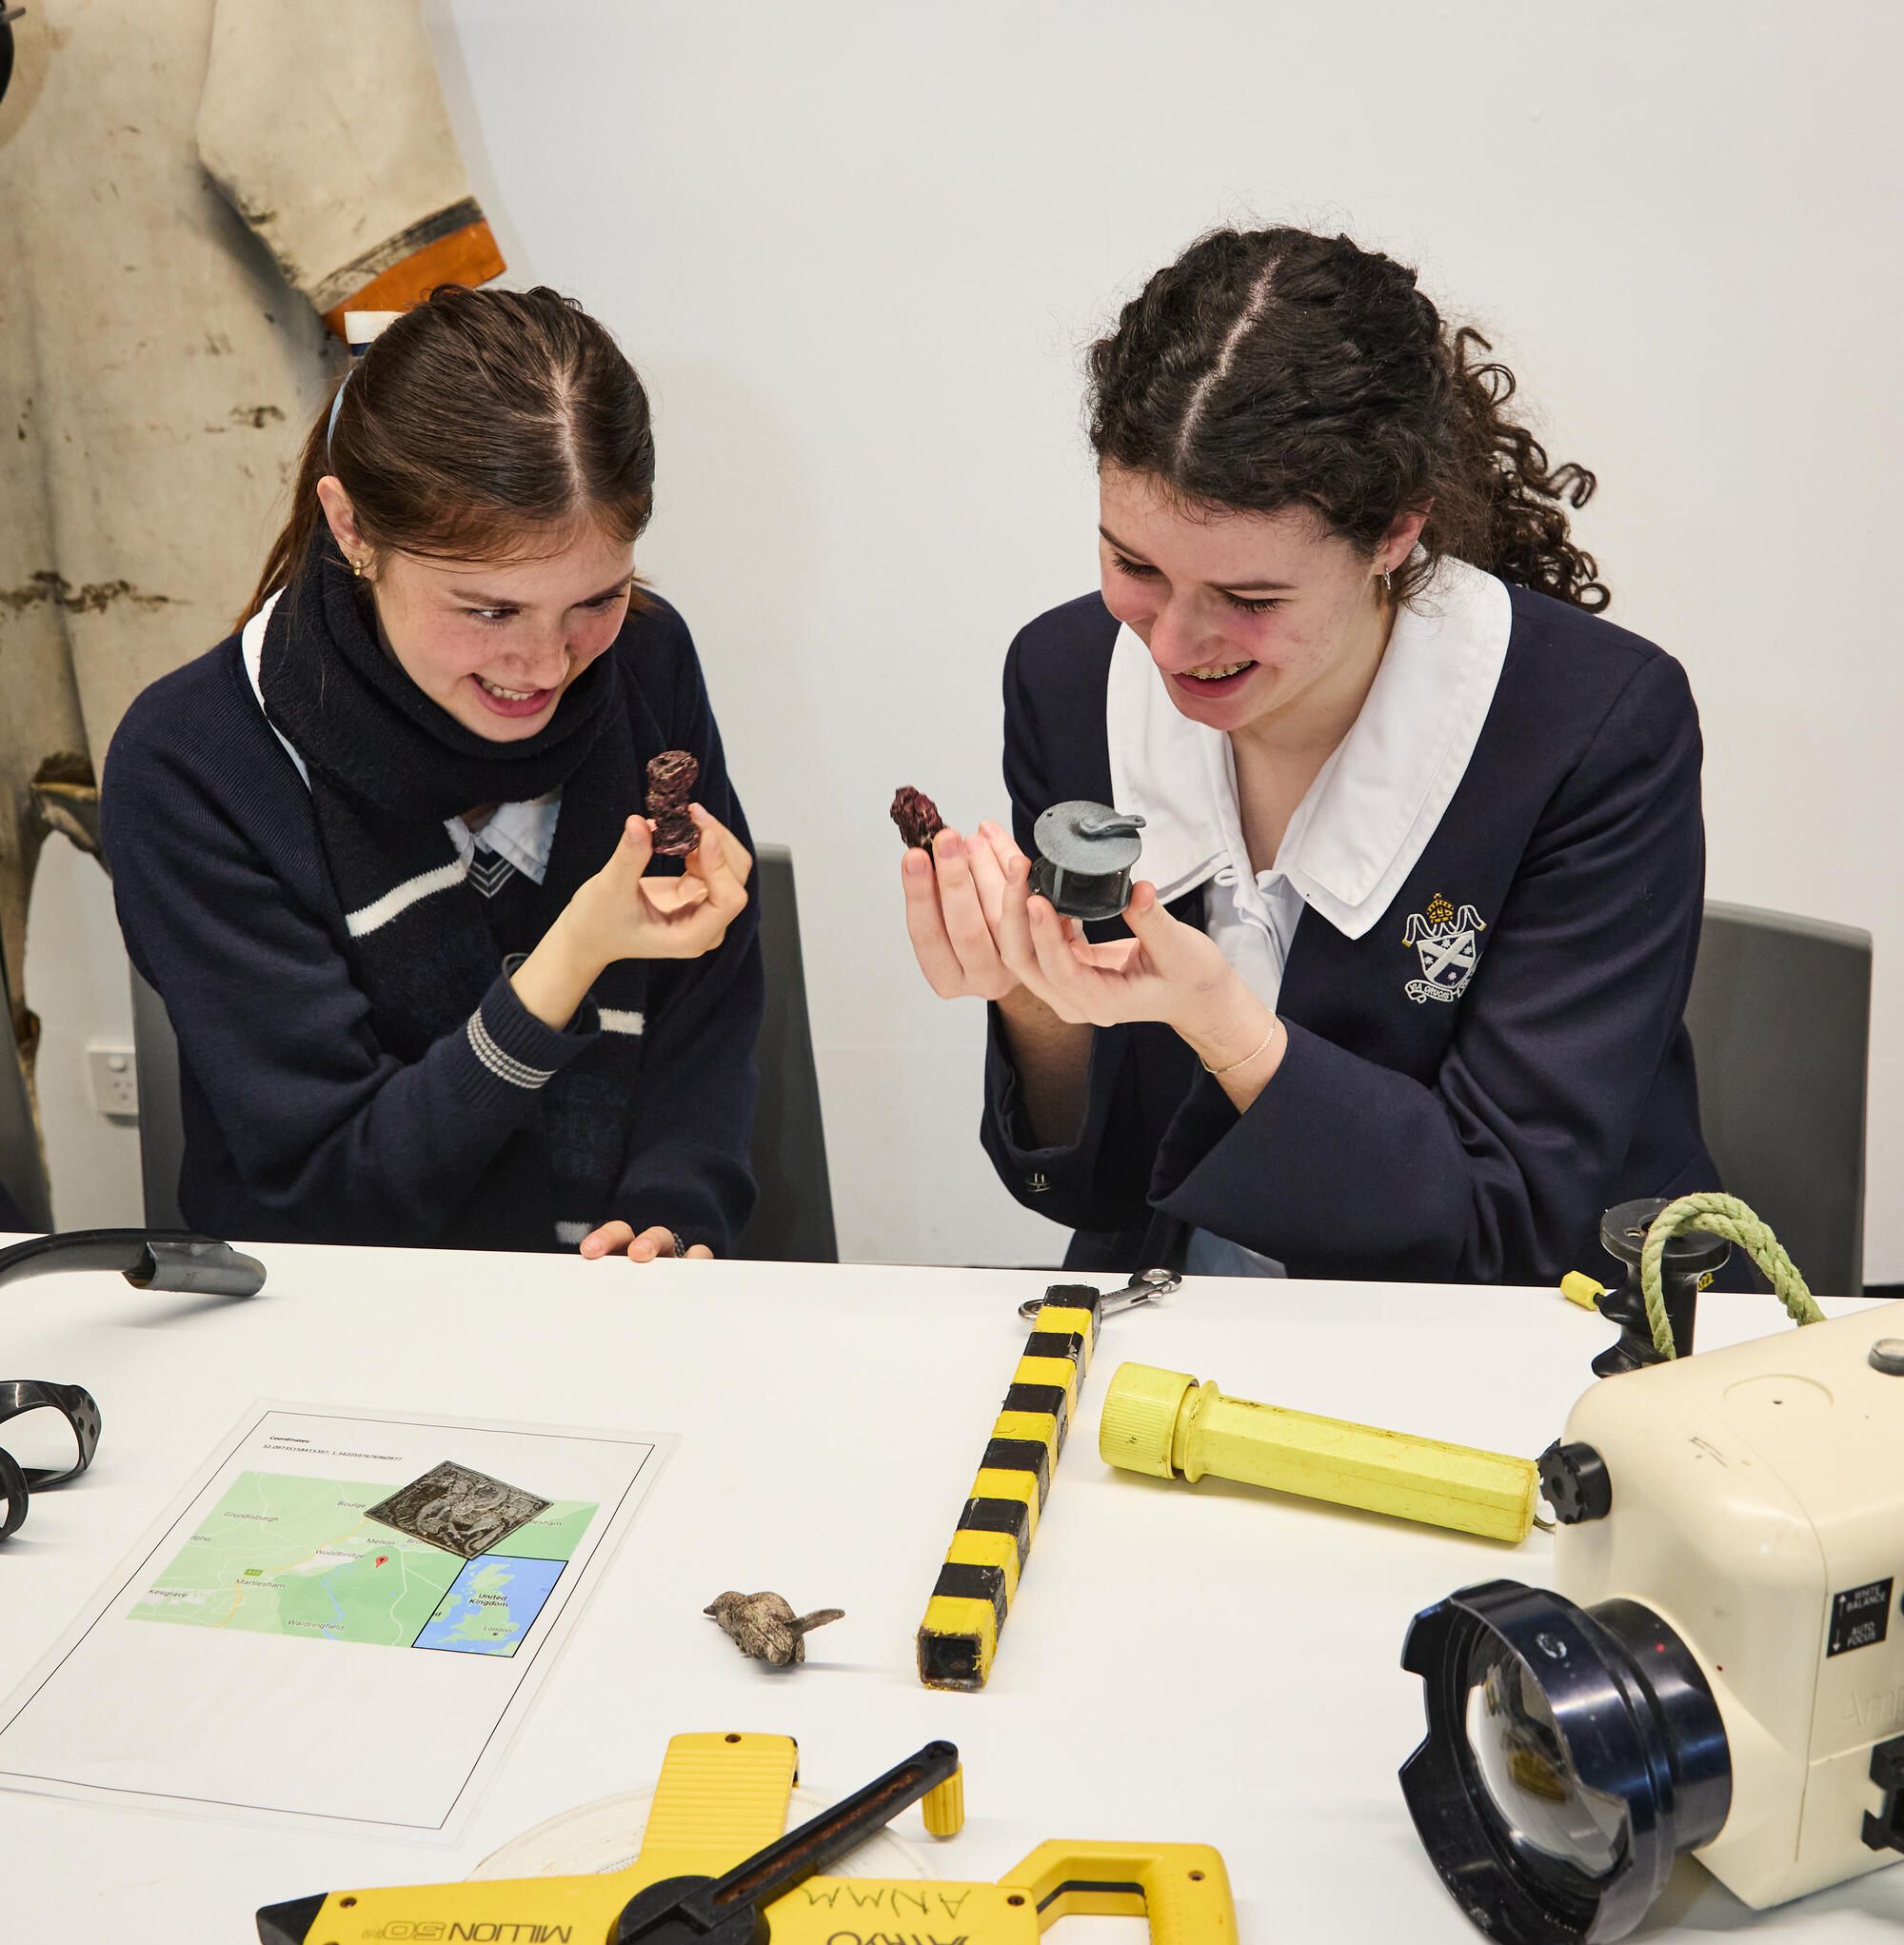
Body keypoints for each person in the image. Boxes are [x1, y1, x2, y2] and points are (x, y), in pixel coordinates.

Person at [901, 224, 1720, 1285]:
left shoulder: (1593, 726)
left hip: (1522, 1331)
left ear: (1391, 536)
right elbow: (1099, 1190)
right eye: (1131, 564)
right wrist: (1028, 993)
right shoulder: (1064, 679)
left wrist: (1216, 1018)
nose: (1175, 645)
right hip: (1189, 1317)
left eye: (1248, 599)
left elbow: (1501, 1224)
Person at [102, 287, 762, 1260]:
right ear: (352, 528)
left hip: (622, 1316)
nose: (545, 665)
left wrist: (674, 1207)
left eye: (596, 597)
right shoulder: (193, 761)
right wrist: (566, 961)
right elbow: (326, 1186)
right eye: (487, 611)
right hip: (331, 1322)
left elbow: (708, 1003)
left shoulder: (645, 661)